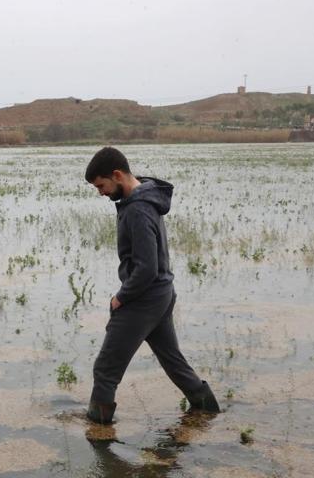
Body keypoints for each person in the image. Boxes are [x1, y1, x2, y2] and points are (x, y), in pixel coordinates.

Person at [83, 147, 220, 424]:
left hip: (144, 298)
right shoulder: (146, 196)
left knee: (106, 370)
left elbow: (146, 268)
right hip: (162, 293)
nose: (100, 192)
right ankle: (209, 411)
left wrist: (121, 297)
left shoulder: (138, 209)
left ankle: (98, 437)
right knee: (173, 362)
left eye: (101, 185)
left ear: (118, 175)